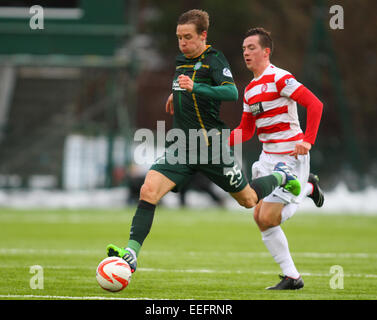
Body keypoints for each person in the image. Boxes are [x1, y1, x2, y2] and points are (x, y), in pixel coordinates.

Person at [106, 10, 301, 274]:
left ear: (203, 36)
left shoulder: (214, 59)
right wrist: (176, 95)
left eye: (188, 37)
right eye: (179, 37)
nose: (182, 42)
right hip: (182, 147)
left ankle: (281, 175)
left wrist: (193, 89)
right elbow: (186, 84)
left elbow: (230, 92)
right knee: (147, 190)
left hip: (211, 147)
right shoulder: (181, 62)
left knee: (249, 199)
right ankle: (131, 253)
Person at [229, 27, 324, 290]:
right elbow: (246, 131)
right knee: (259, 216)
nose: (246, 53)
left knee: (269, 218)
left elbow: (315, 105)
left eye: (252, 48)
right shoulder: (249, 90)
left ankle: (306, 187)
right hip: (268, 157)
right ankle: (292, 277)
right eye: (244, 49)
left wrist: (308, 140)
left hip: (290, 157)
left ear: (266, 51)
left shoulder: (280, 78)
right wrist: (216, 140)